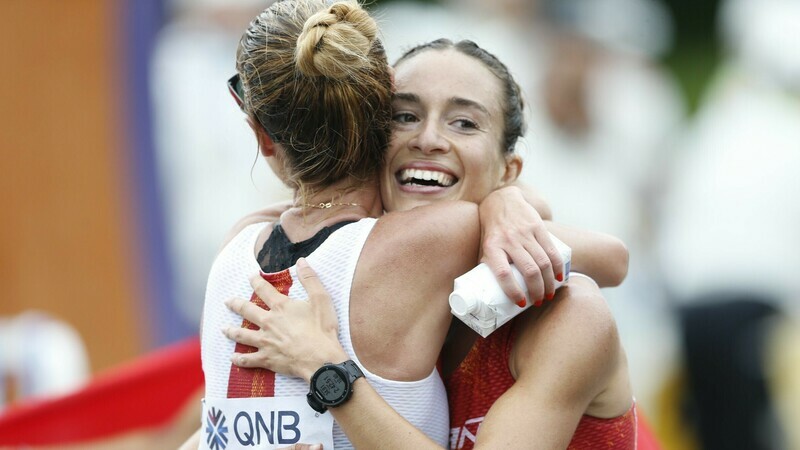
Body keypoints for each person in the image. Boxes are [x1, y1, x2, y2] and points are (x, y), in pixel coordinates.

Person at [181, 2, 619, 449]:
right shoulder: (369, 253)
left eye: (464, 123)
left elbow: (615, 260)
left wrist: (328, 371)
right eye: (405, 116)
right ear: (368, 120)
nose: (427, 139)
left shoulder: (570, 315)